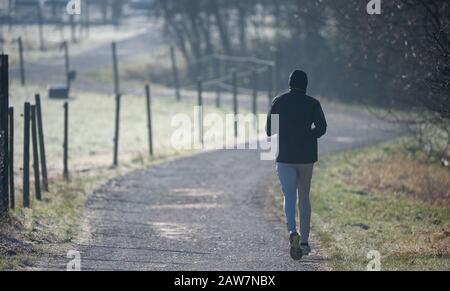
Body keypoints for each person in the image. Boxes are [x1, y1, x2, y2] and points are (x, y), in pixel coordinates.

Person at [266, 70, 327, 260]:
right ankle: (305, 243)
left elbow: (269, 130)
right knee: (304, 197)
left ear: (290, 82)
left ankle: (292, 231)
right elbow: (322, 127)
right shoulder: (313, 103)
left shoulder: (279, 101)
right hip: (306, 158)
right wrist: (308, 135)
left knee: (289, 196)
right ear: (306, 85)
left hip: (284, 156)